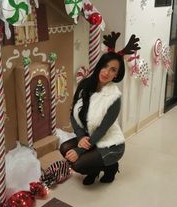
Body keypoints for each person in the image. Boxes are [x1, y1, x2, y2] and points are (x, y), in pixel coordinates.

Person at [60, 32, 140, 185]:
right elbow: (73, 113)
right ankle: (94, 169)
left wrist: (80, 150)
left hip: (110, 143)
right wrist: (80, 136)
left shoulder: (114, 98)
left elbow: (102, 130)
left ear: (117, 74)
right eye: (105, 66)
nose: (106, 72)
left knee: (77, 163)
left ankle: (111, 167)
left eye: (113, 70)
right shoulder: (84, 85)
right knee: (64, 148)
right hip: (90, 138)